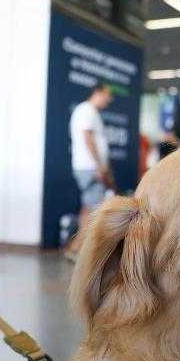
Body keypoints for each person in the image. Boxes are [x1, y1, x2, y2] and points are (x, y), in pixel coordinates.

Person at [65, 82, 115, 259]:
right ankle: (77, 249)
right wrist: (99, 166)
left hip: (91, 167)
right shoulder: (86, 110)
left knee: (88, 208)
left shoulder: (90, 112)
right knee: (93, 210)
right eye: (107, 96)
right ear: (98, 92)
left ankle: (76, 248)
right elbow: (88, 139)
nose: (108, 101)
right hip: (89, 168)